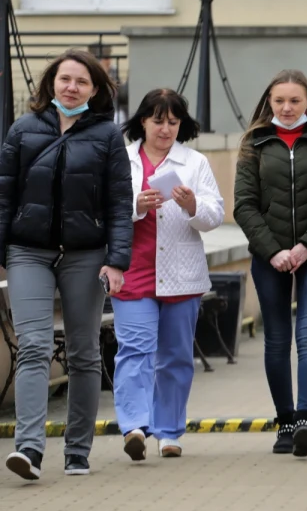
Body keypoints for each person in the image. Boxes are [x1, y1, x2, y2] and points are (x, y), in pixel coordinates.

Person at [0, 50, 132, 481]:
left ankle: (78, 451)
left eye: (81, 81)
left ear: (95, 90)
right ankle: (30, 450)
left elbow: (118, 202)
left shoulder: (108, 136)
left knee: (83, 352)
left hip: (85, 254)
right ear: (51, 84)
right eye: (64, 79)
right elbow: (4, 195)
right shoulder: (23, 130)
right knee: (34, 345)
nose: (71, 87)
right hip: (28, 251)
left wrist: (116, 260)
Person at [234, 71, 307, 458]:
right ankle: (284, 421)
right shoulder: (254, 141)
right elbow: (244, 205)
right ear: (269, 101)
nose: (286, 108)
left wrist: (304, 247)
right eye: (279, 100)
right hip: (270, 257)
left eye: (294, 101)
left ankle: (305, 418)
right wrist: (272, 251)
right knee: (277, 338)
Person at [113, 89, 225, 461]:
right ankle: (134, 426)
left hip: (181, 274)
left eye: (173, 122)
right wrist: (135, 205)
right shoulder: (121, 159)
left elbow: (215, 215)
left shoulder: (194, 163)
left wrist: (192, 205)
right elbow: (102, 212)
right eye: (157, 120)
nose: (165, 129)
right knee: (135, 350)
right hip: (133, 272)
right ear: (142, 121)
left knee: (176, 356)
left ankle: (169, 431)